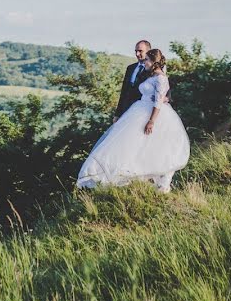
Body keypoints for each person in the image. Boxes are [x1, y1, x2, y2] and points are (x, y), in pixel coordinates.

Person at [77, 48, 190, 193]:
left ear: (154, 62)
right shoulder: (151, 76)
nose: (144, 63)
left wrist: (151, 121)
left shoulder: (161, 78)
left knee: (151, 146)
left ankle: (160, 182)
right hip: (139, 110)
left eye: (147, 60)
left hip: (151, 114)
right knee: (130, 144)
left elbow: (159, 102)